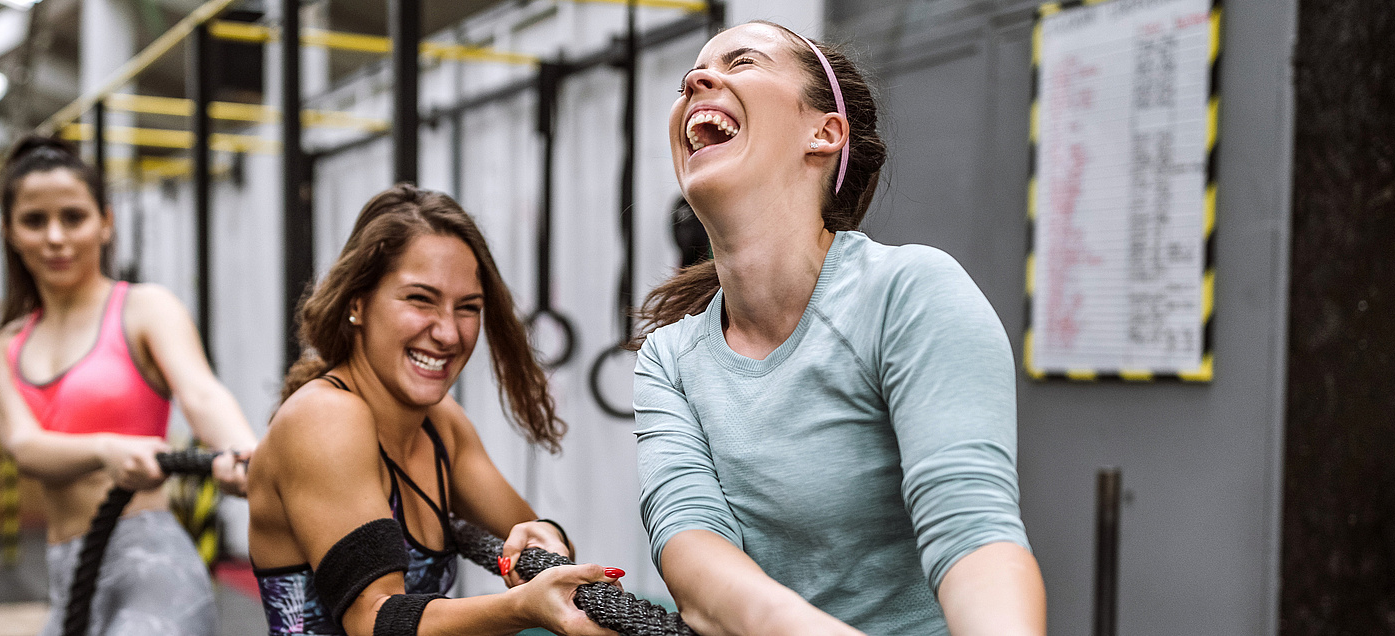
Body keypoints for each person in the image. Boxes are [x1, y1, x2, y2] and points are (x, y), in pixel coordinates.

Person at [633, 21, 1047, 635]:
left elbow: (972, 531)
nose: (697, 80)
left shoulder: (908, 291)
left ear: (823, 133)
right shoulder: (668, 360)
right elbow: (693, 555)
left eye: (743, 61)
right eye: (688, 78)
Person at [247, 185, 621, 636]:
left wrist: (549, 535)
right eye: (420, 299)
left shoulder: (442, 424)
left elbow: (529, 535)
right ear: (357, 303)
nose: (448, 333)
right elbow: (373, 620)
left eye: (468, 308)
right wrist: (520, 608)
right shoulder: (324, 419)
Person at [0, 137, 260, 636]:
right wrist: (109, 448)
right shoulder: (1, 349)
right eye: (34, 221)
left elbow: (202, 394)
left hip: (151, 568)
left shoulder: (145, 309)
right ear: (9, 231)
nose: (56, 237)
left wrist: (247, 455)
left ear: (105, 222)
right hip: (67, 576)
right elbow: (23, 446)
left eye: (73, 216)